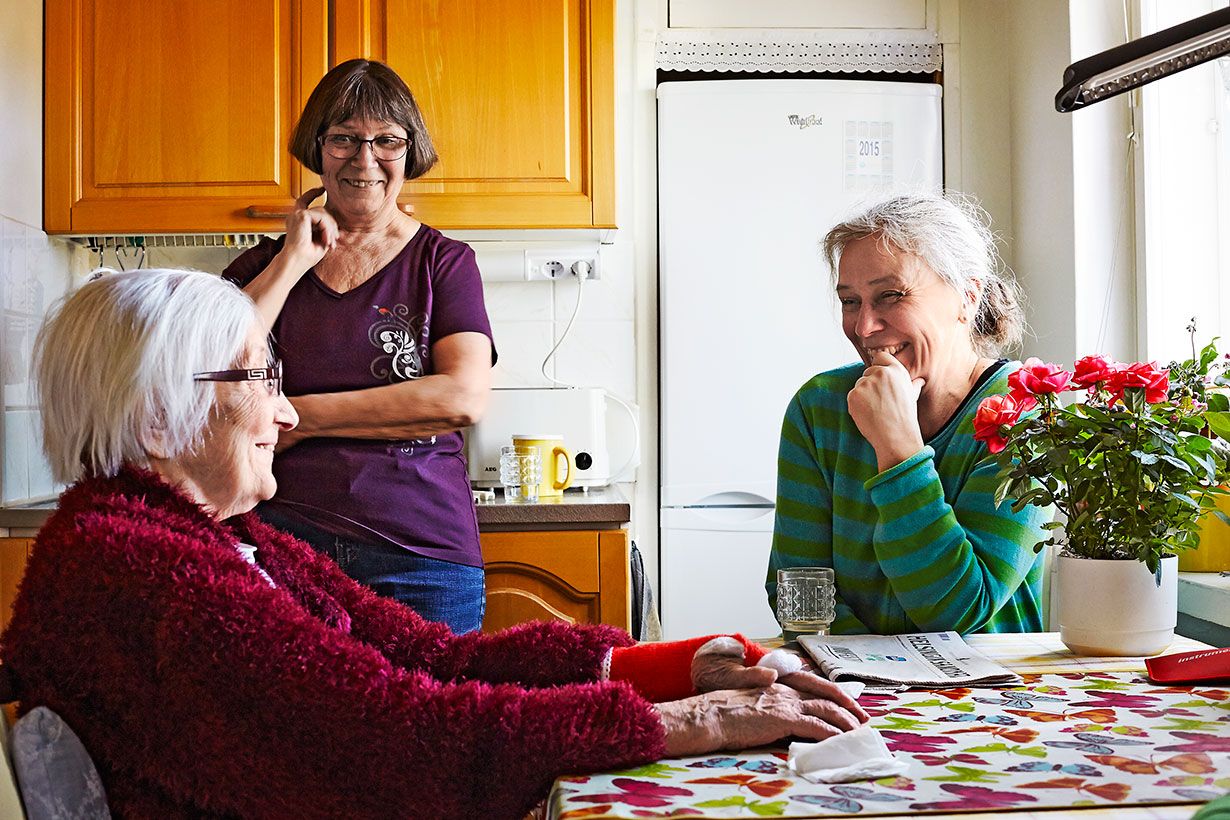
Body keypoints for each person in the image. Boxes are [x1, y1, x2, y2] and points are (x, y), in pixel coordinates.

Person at [2, 269, 868, 819]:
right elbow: (399, 738)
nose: (289, 409)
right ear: (159, 418)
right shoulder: (143, 573)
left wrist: (678, 669)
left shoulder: (207, 540)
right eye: (261, 376)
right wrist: (692, 723)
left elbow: (429, 661)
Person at [223, 59, 494, 633]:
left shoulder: (444, 264)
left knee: (432, 720)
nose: (364, 159)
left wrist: (307, 418)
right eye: (344, 138)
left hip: (422, 557)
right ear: (317, 148)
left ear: (408, 150)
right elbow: (209, 373)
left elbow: (462, 398)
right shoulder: (263, 268)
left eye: (386, 141)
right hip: (281, 548)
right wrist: (293, 258)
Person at [768, 193, 1051, 635]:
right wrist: (866, 674)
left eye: (891, 296)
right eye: (849, 302)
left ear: (967, 296)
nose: (863, 327)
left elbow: (960, 610)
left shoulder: (1022, 415)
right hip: (853, 688)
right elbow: (799, 592)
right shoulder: (818, 409)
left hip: (988, 694)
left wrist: (897, 449)